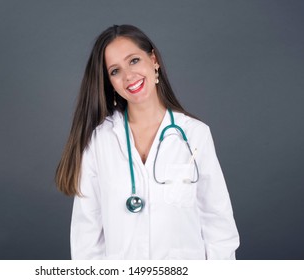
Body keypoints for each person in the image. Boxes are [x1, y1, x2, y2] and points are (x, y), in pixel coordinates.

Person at [55, 24, 239, 259]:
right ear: (109, 82)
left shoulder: (195, 135)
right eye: (115, 71)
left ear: (153, 60)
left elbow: (218, 226)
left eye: (133, 60)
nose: (128, 76)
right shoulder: (99, 142)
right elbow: (87, 237)